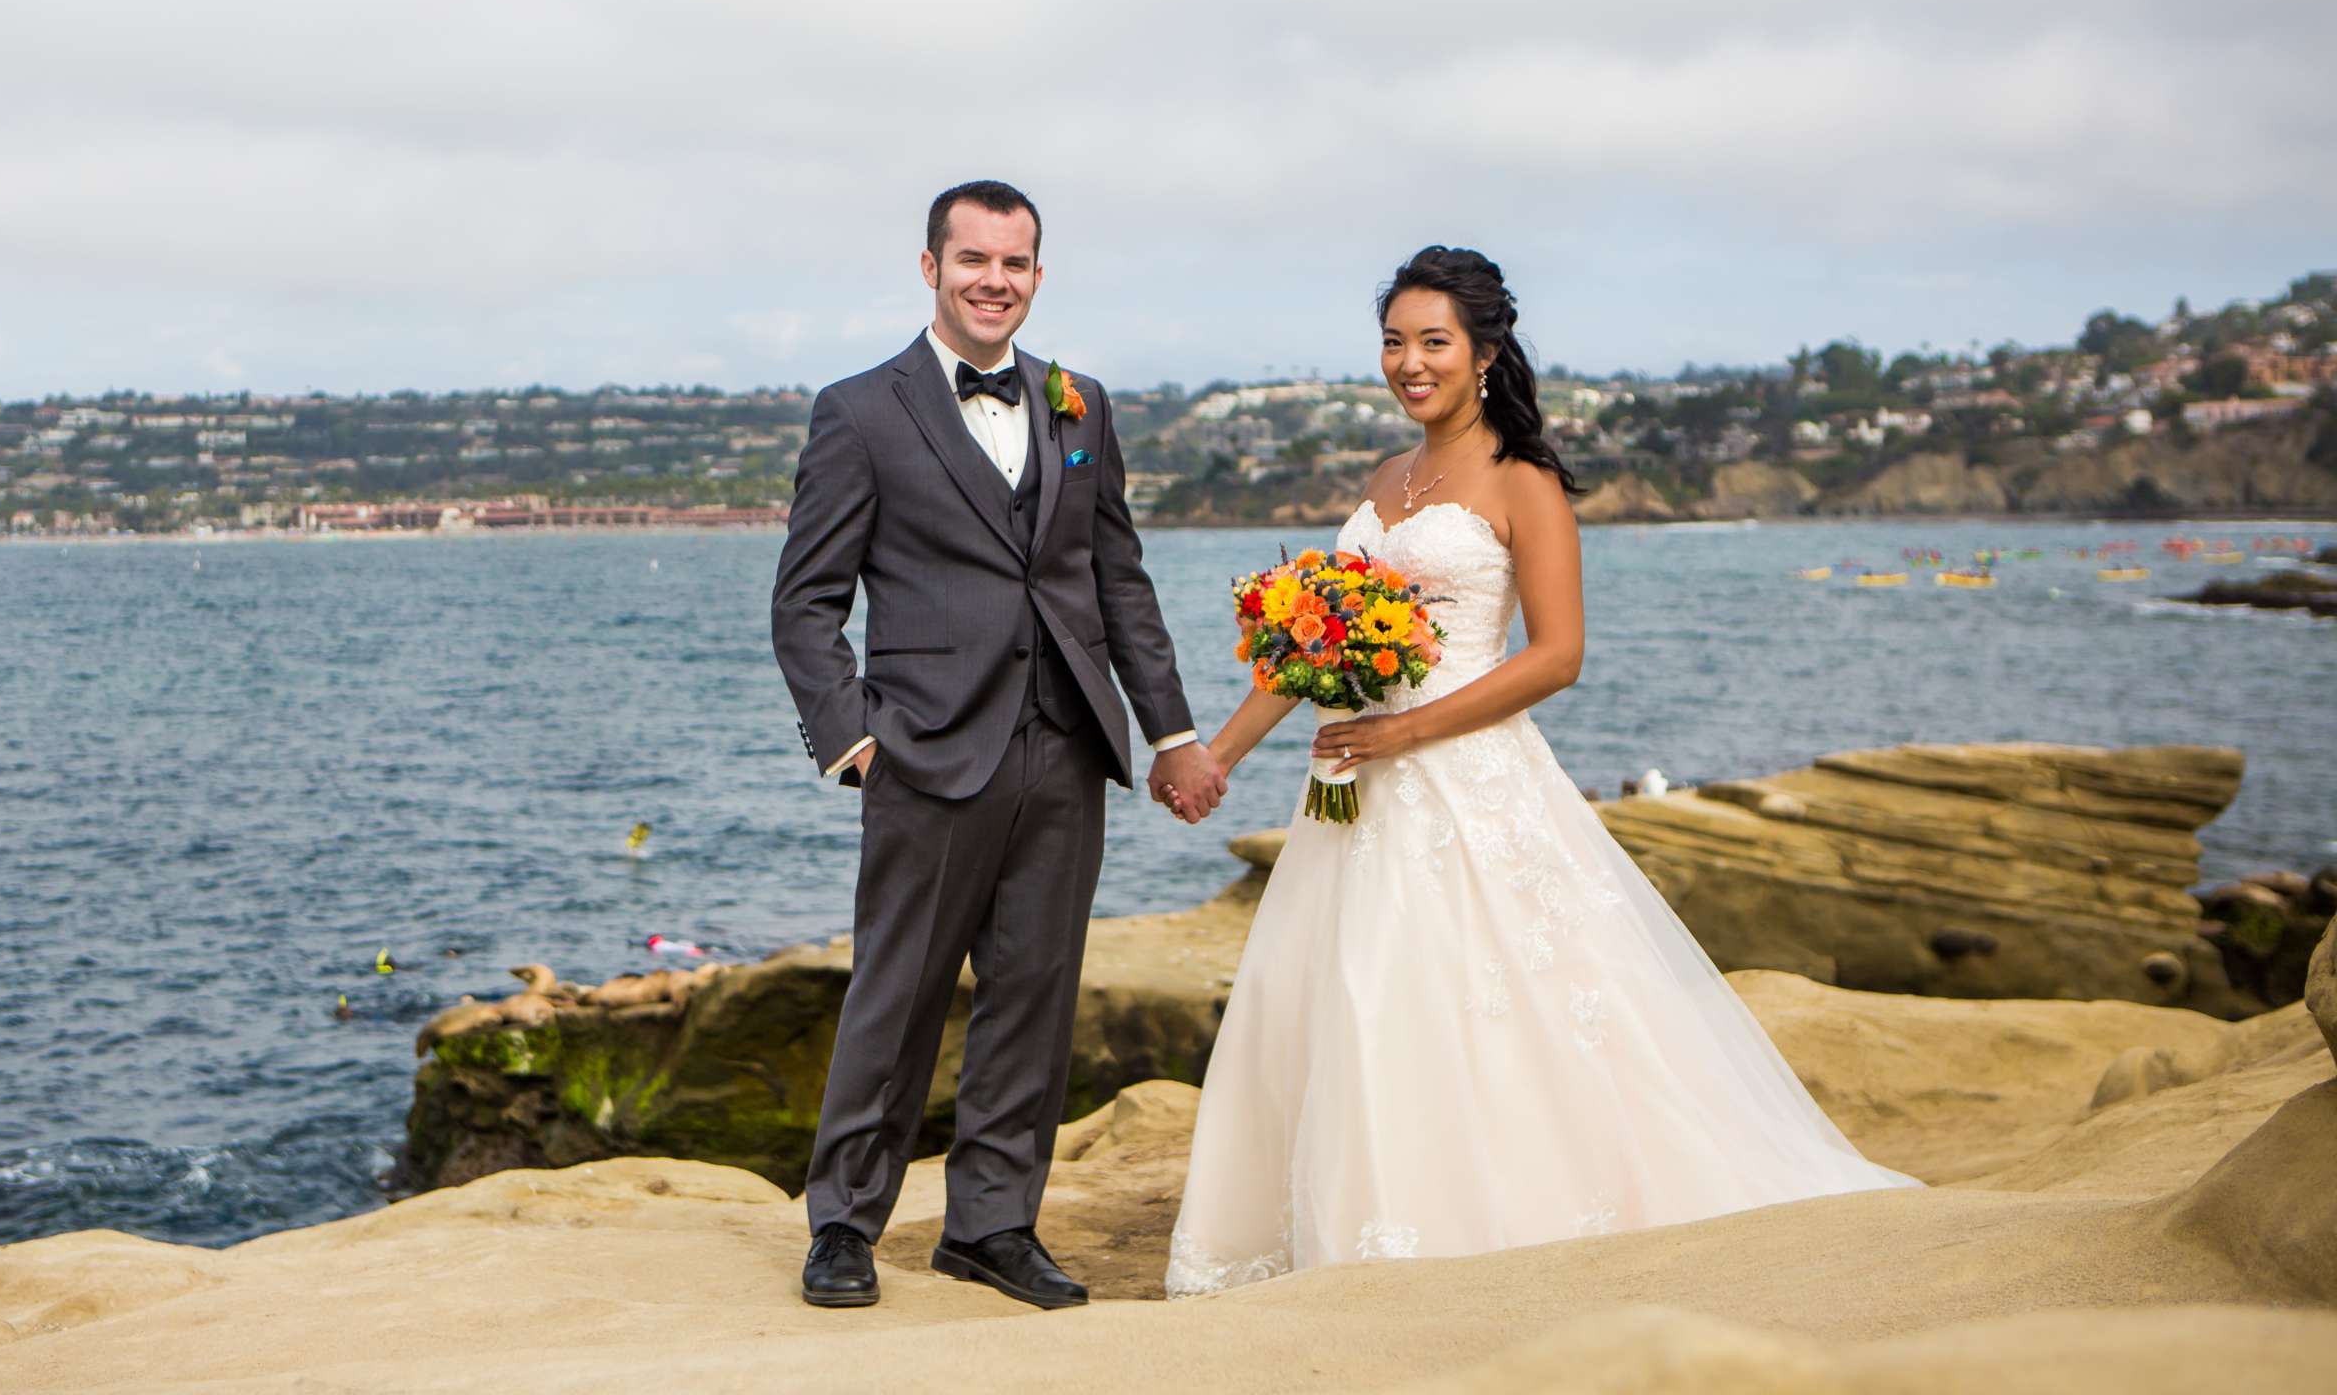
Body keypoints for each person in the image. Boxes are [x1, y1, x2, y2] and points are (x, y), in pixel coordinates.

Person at [1163, 245, 1914, 1297]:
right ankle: (1349, 1229)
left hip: (1462, 778)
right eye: (1394, 341)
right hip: (1348, 794)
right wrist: (1217, 757)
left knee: (1477, 1002)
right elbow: (1310, 653)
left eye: (1434, 342)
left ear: (1484, 354)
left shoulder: (1526, 481)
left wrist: (1403, 734)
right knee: (1351, 1004)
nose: (1410, 362)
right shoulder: (1383, 483)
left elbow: (1557, 656)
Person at [772, 179, 1227, 1312]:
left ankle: (990, 1225)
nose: (994, 280)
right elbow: (806, 603)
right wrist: (855, 742)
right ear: (929, 267)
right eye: (972, 259)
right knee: (899, 991)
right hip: (924, 752)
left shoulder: (1084, 407)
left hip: (1064, 747)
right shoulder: (860, 410)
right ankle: (843, 1224)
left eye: (1015, 263)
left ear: (1037, 274)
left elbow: (1117, 581)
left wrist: (1169, 732)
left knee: (1035, 992)